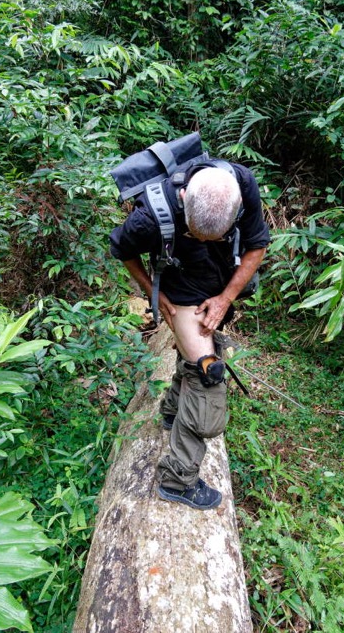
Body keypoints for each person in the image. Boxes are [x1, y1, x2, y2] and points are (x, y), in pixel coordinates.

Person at [110, 161, 270, 510]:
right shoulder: (151, 216)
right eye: (196, 235)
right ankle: (178, 480)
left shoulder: (241, 184)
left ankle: (172, 411)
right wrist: (153, 291)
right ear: (183, 197)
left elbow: (257, 244)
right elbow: (121, 248)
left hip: (218, 284)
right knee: (207, 374)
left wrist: (226, 298)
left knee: (193, 357)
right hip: (180, 292)